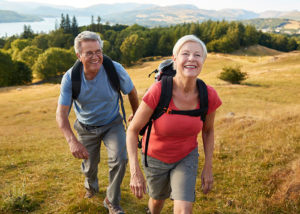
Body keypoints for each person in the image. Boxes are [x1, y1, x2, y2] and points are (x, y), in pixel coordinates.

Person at [126, 35, 222, 214]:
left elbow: (208, 131)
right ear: (175, 59)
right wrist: (134, 171)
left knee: (184, 210)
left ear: (203, 61)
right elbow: (132, 130)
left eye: (197, 55)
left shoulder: (208, 95)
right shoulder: (159, 90)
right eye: (185, 54)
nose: (191, 59)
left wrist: (208, 167)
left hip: (186, 156)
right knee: (156, 201)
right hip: (155, 157)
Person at [56, 31, 139, 214]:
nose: (96, 57)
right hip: (85, 127)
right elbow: (61, 115)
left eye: (98, 51)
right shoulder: (71, 78)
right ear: (79, 55)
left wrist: (136, 117)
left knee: (121, 158)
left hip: (112, 123)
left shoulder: (114, 68)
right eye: (89, 53)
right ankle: (91, 188)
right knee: (89, 166)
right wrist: (72, 141)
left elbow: (131, 92)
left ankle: (112, 200)